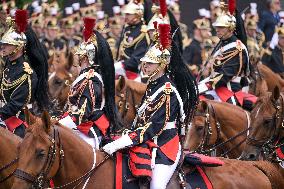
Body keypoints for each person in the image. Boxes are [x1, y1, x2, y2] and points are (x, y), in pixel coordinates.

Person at [103, 21, 198, 189]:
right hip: (148, 140)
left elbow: (153, 127)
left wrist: (124, 141)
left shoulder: (167, 91)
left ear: (162, 65)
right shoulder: (153, 85)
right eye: (145, 62)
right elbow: (142, 117)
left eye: (150, 63)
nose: (144, 66)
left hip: (165, 145)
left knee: (156, 186)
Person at [59, 17, 121, 149]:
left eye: (78, 56)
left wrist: (57, 124)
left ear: (84, 58)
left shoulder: (90, 80)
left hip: (87, 131)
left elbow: (81, 114)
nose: (75, 59)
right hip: (79, 127)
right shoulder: (85, 77)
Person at [0, 9, 49, 137]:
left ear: (18, 46)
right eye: (3, 44)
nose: (3, 47)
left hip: (19, 123)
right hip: (6, 117)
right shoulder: (9, 67)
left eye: (7, 44)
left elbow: (15, 105)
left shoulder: (26, 73)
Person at [198, 1, 254, 110]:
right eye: (217, 27)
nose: (217, 30)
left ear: (230, 28)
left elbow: (224, 76)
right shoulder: (223, 43)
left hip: (229, 89)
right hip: (217, 87)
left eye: (221, 27)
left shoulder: (236, 48)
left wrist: (202, 86)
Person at [115, 0, 150, 81]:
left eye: (128, 14)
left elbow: (136, 60)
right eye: (125, 14)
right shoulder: (127, 28)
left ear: (137, 15)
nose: (125, 16)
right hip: (121, 69)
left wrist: (121, 65)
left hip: (133, 73)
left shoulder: (143, 32)